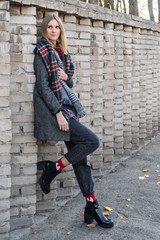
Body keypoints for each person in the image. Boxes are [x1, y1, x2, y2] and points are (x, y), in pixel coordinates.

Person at [33, 14, 114, 228]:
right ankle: (53, 168)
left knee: (81, 161)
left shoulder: (62, 54)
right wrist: (59, 112)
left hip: (69, 109)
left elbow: (69, 83)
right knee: (91, 142)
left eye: (56, 27)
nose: (53, 30)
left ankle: (91, 206)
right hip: (58, 111)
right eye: (49, 27)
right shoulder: (42, 51)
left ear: (60, 30)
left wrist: (67, 78)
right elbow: (42, 87)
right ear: (44, 30)